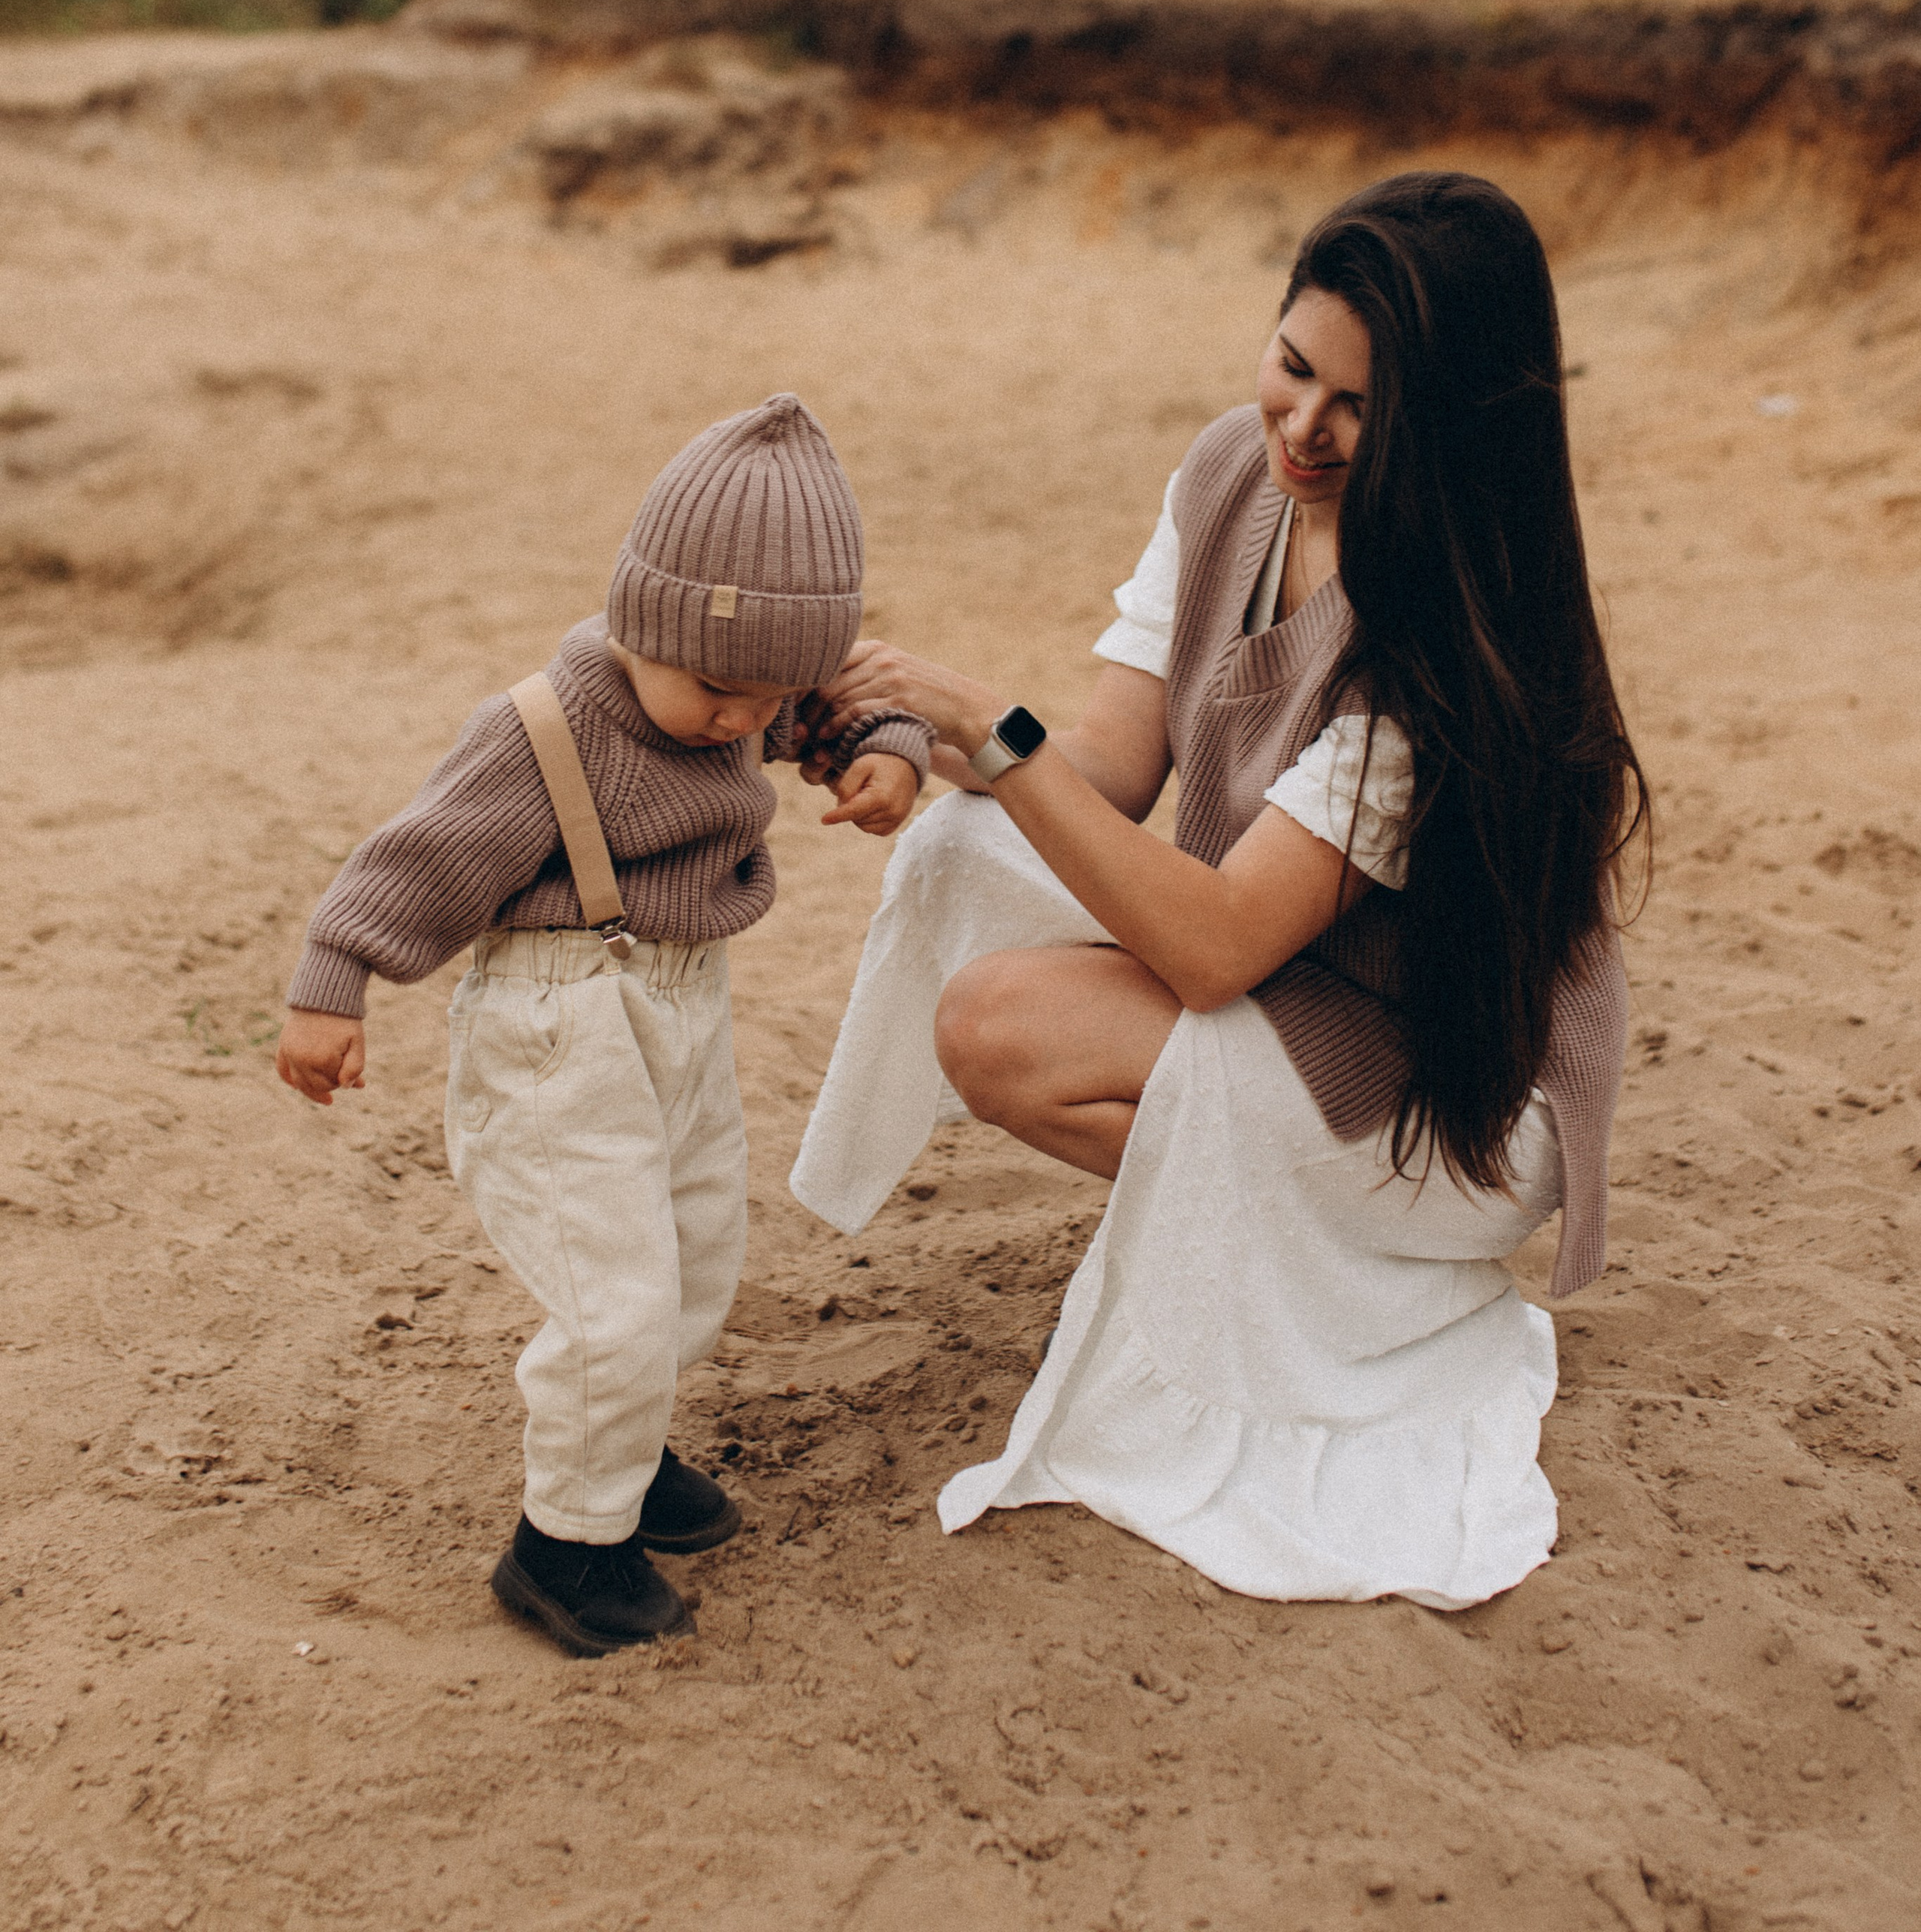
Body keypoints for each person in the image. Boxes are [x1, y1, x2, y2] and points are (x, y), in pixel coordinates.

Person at [809, 174, 1644, 1610]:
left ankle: (1366, 1266)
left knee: (1005, 1025)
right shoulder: (1228, 479)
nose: (1302, 430)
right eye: (1292, 366)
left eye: (1359, 408)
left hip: (1454, 1088)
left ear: (1444, 422)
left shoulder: (1432, 639)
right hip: (1311, 983)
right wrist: (911, 744)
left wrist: (986, 722)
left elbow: (1206, 950)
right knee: (958, 858)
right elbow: (1106, 768)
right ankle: (1303, 1233)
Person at [276, 396, 930, 1657]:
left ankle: (623, 1450)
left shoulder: (742, 689)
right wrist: (332, 985)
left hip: (680, 1011)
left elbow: (843, 709)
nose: (745, 722)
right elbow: (420, 860)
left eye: (769, 699)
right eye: (719, 691)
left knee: (693, 1250)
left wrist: (888, 753)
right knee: (610, 1294)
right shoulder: (545, 729)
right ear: (643, 623)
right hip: (559, 1028)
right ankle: (564, 1547)